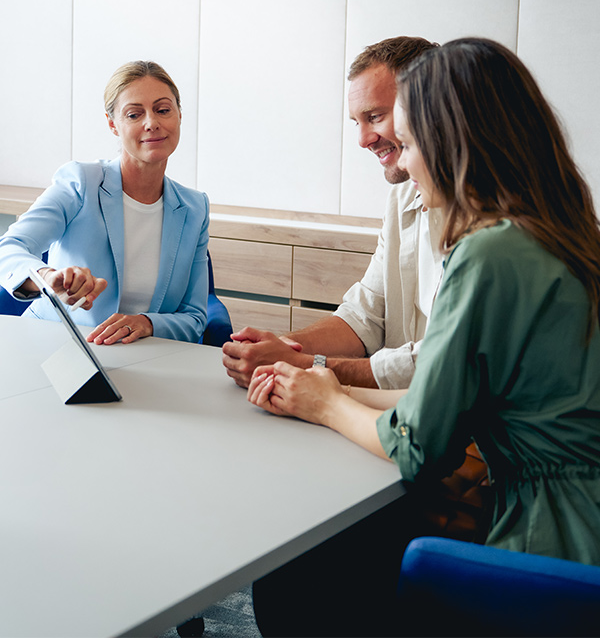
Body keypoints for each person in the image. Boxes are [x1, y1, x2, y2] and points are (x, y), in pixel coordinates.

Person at [248, 37, 600, 636]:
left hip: (546, 545)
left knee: (295, 580)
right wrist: (323, 384)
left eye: (407, 142)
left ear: (453, 141)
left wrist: (330, 403)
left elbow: (419, 443)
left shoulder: (491, 254)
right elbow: (467, 401)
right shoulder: (564, 234)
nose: (403, 165)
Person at [222, 36, 442, 390]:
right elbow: (365, 315)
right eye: (358, 122)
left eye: (375, 116)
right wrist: (281, 350)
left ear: (428, 108)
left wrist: (308, 365)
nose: (363, 139)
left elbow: (441, 362)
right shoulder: (402, 195)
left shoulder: (492, 223)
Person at [0, 60, 209, 344]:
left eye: (163, 110)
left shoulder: (194, 208)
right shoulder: (81, 182)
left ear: (179, 115)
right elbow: (9, 249)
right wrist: (48, 278)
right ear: (113, 125)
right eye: (134, 115)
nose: (152, 123)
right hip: (57, 346)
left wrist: (146, 323)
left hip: (144, 358)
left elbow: (194, 318)